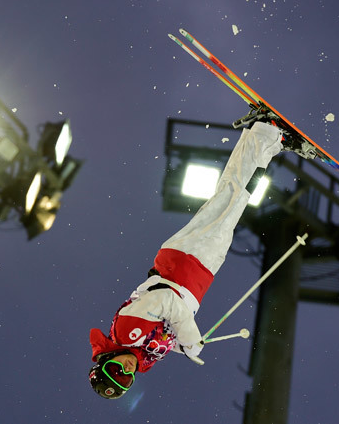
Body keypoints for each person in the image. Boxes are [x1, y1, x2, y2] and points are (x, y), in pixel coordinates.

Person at [88, 121, 284, 399]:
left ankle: (264, 134)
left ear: (107, 361)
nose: (127, 371)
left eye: (116, 371)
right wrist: (185, 345)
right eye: (126, 380)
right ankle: (263, 141)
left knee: (232, 199)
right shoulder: (143, 355)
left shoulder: (126, 332)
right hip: (196, 273)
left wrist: (190, 338)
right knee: (233, 201)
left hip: (183, 266)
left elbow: (167, 301)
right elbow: (167, 328)